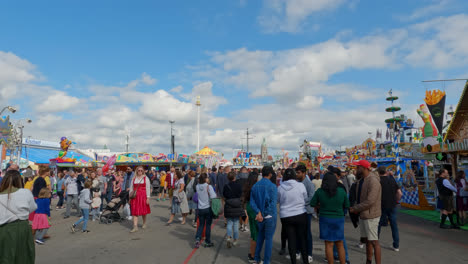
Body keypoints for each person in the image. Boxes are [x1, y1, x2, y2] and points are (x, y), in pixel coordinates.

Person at [311, 172, 350, 264]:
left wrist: (320, 206)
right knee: (340, 243)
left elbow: (312, 203)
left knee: (328, 244)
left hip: (325, 219)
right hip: (338, 219)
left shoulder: (320, 192)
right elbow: (347, 205)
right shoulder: (341, 191)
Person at [0, 170, 37, 264]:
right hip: (23, 229)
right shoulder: (26, 192)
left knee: (5, 257)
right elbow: (32, 208)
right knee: (24, 257)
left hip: (4, 230)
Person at [349, 160, 382, 264]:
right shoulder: (362, 180)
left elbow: (370, 201)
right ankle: (368, 261)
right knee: (367, 240)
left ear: (364, 168)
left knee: (374, 241)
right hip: (363, 214)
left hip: (371, 215)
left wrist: (356, 208)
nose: (356, 169)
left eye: (358, 167)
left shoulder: (373, 180)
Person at [278, 168, 308, 264]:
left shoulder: (280, 187)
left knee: (291, 240)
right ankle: (305, 261)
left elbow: (277, 200)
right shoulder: (301, 185)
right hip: (300, 214)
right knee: (302, 238)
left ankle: (293, 261)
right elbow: (305, 198)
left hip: (286, 216)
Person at [250, 166, 278, 264]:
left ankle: (257, 258)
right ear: (270, 174)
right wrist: (264, 213)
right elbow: (273, 203)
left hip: (260, 216)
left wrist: (259, 212)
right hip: (269, 216)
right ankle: (266, 261)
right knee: (269, 240)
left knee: (260, 237)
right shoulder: (273, 186)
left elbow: (252, 202)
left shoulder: (255, 186)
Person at [377, 166, 402, 251]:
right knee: (394, 225)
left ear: (378, 172)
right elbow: (399, 193)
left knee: (378, 225)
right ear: (386, 171)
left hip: (381, 205)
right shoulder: (392, 180)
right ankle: (396, 245)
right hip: (392, 205)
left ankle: (375, 245)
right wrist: (396, 201)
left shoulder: (377, 181)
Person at [295, 164, 315, 263]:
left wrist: (301, 201)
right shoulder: (297, 183)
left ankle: (309, 253)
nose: (297, 174)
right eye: (296, 172)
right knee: (298, 232)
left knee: (307, 233)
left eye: (298, 173)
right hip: (298, 211)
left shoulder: (309, 184)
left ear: (304, 173)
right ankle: (298, 251)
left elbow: (311, 197)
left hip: (306, 211)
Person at [194, 173, 217, 248]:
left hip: (200, 208)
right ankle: (207, 241)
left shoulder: (197, 186)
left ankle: (197, 239)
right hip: (207, 207)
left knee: (201, 224)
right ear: (205, 179)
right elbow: (214, 196)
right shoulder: (208, 186)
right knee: (207, 225)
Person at [224, 171, 244, 248]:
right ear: (234, 177)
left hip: (229, 205)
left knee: (229, 223)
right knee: (236, 223)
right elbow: (240, 194)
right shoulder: (238, 185)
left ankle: (229, 237)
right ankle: (235, 240)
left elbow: (224, 194)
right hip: (236, 205)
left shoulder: (226, 186)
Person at [243, 171, 260, 263]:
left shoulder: (248, 186)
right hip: (254, 208)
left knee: (254, 231)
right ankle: (253, 255)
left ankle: (252, 254)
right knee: (255, 233)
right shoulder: (255, 187)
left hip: (249, 207)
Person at [129, 166, 151, 233]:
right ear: (136, 171)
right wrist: (130, 197)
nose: (140, 172)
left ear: (143, 171)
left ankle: (144, 223)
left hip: (143, 196)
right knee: (135, 211)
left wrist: (148, 198)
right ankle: (135, 226)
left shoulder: (146, 178)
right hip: (135, 196)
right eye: (139, 170)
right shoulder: (133, 179)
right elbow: (131, 189)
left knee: (143, 211)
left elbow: (148, 188)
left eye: (141, 170)